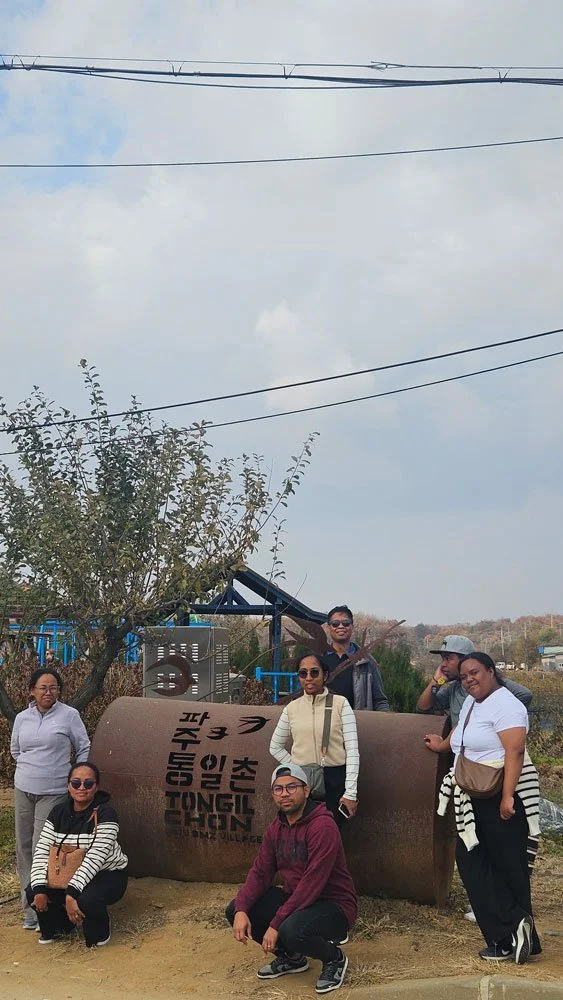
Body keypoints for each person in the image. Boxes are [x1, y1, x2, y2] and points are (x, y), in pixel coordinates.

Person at [424, 653, 541, 964]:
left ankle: (510, 935)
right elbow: (461, 736)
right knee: (474, 862)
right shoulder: (473, 704)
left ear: (492, 671)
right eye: (464, 676)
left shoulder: (507, 704)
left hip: (499, 795)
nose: (469, 679)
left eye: (475, 673)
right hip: (474, 795)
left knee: (507, 867)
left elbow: (514, 750)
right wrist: (441, 744)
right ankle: (509, 932)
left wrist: (507, 797)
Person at [226, 763, 357, 994]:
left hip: (333, 905)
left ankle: (334, 958)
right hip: (298, 901)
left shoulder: (323, 826)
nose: (285, 794)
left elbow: (312, 883)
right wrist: (241, 909)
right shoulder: (276, 828)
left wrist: (276, 924)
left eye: (291, 787)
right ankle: (293, 958)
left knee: (290, 930)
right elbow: (261, 871)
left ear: (306, 791)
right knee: (236, 907)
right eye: (278, 789)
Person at [10, 668, 91, 930]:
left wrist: (76, 780)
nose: (49, 692)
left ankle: (40, 907)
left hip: (53, 789)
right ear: (32, 690)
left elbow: (83, 746)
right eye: (43, 687)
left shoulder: (69, 715)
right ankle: (28, 906)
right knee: (22, 847)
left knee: (40, 847)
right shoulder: (23, 718)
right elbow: (16, 750)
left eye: (54, 687)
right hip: (24, 788)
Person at [27, 761, 128, 947]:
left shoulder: (106, 814)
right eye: (76, 783)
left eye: (88, 783)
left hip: (106, 873)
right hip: (68, 870)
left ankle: (99, 931)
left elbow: (95, 859)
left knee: (87, 898)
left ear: (96, 787)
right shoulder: (58, 812)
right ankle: (61, 927)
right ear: (68, 786)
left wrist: (71, 894)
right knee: (32, 890)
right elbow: (42, 850)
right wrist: (39, 889)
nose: (82, 788)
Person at [269, 652, 359, 826]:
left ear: (324, 675)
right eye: (303, 673)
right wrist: (296, 766)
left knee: (330, 834)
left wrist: (350, 793)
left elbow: (353, 750)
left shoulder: (341, 704)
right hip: (302, 783)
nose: (308, 678)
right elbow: (275, 747)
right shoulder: (292, 708)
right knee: (301, 834)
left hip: (335, 780)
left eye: (314, 672)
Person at [416, 635, 533, 727]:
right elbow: (423, 708)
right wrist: (436, 681)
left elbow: (525, 695)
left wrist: (491, 716)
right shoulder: (454, 689)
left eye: (448, 658)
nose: (443, 665)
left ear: (466, 660)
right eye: (442, 659)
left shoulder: (494, 684)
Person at [321, 606, 389, 711]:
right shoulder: (318, 660)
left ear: (352, 626)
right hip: (323, 723)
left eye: (346, 623)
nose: (340, 626)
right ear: (328, 628)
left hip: (358, 723)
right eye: (335, 624)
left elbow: (379, 700)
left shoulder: (367, 661)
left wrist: (385, 722)